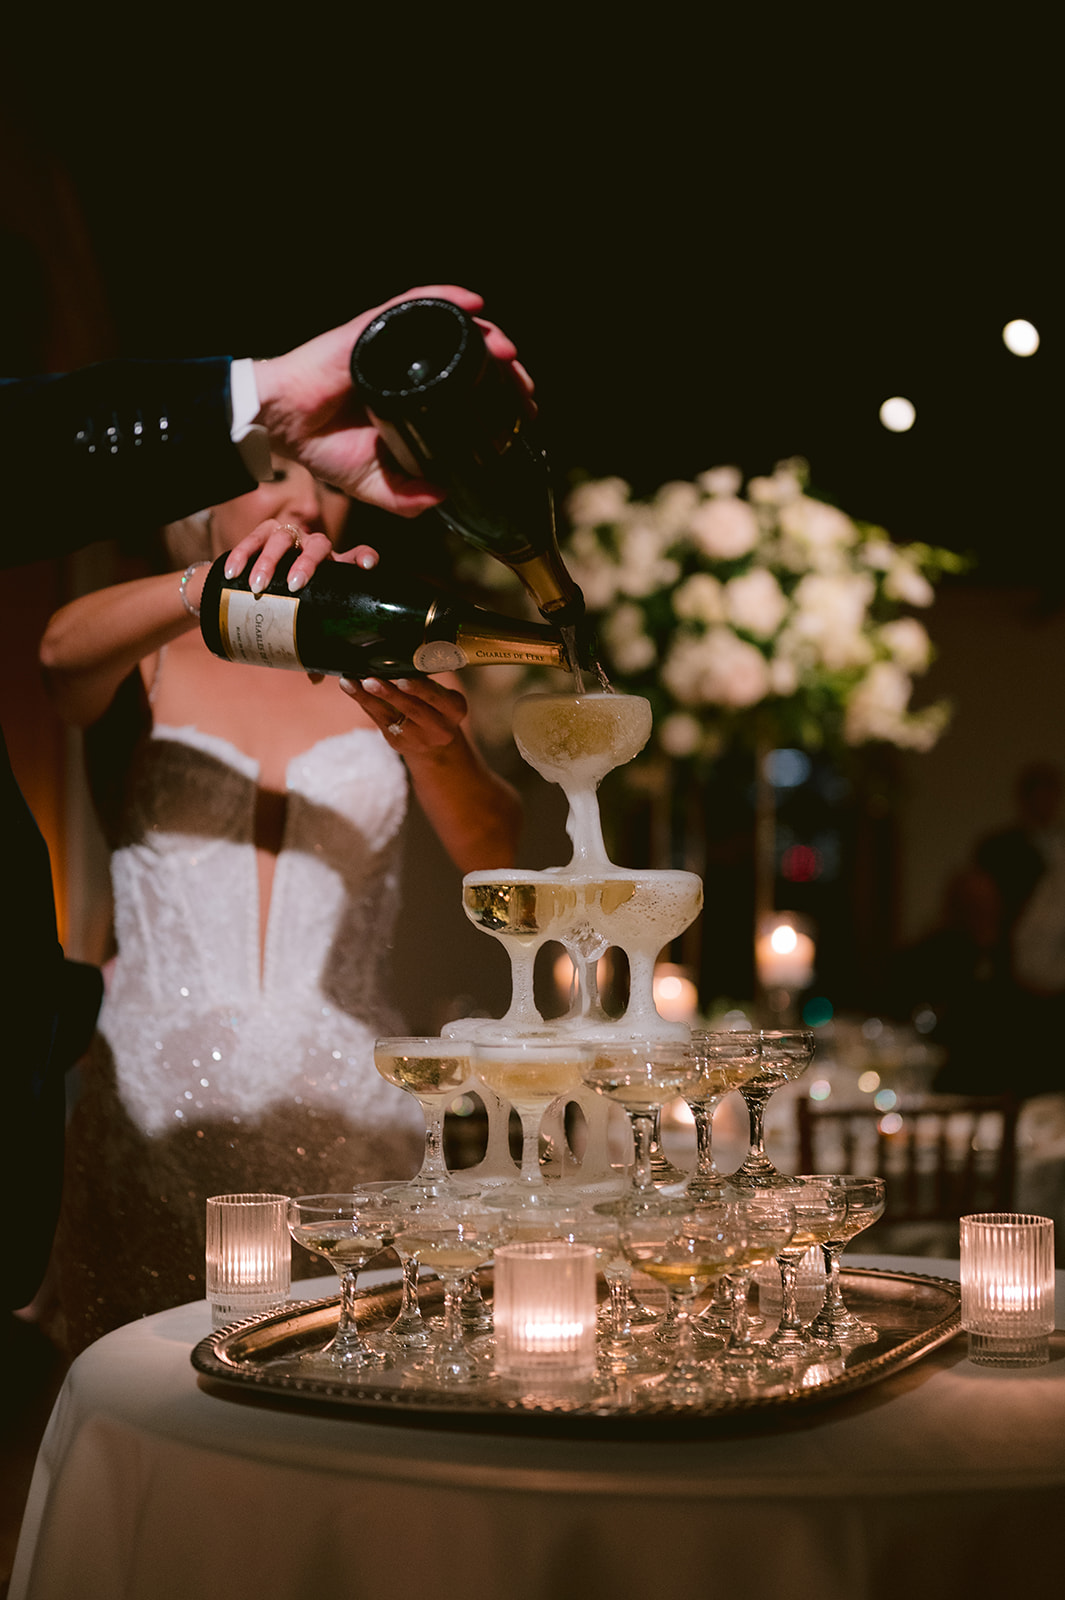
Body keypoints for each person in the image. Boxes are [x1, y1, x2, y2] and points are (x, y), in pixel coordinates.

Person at [3, 283, 529, 1311]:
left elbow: (495, 859)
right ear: (201, 505)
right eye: (264, 476)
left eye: (319, 485)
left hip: (344, 1099)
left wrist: (434, 750)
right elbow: (58, 658)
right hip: (150, 1090)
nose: (299, 503)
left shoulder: (398, 667)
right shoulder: (154, 655)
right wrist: (208, 593)